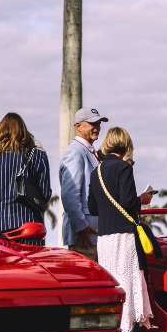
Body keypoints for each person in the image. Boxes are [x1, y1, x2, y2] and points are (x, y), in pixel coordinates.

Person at [87, 126, 159, 332]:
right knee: (128, 282)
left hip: (105, 237)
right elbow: (129, 203)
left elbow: (93, 207)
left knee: (114, 283)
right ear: (125, 145)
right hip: (124, 235)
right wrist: (143, 199)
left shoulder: (96, 172)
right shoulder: (124, 168)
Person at [0, 113, 51, 244]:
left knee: (5, 265)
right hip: (30, 228)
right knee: (30, 264)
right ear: (24, 132)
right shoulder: (38, 156)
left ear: (0, 133)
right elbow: (45, 195)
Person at [59, 106, 108, 259]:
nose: (97, 128)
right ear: (78, 126)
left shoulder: (89, 151)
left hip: (93, 235)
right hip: (85, 237)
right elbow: (69, 196)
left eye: (99, 123)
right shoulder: (75, 152)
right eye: (93, 124)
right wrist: (81, 227)